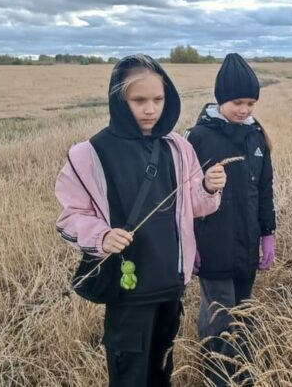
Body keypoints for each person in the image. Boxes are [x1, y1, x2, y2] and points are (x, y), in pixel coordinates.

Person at [55, 54, 226, 386]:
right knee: (129, 377)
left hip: (170, 286)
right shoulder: (89, 154)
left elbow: (194, 204)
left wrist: (206, 187)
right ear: (119, 100)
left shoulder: (177, 147)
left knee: (161, 372)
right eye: (139, 100)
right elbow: (70, 217)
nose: (151, 109)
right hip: (128, 290)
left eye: (158, 99)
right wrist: (101, 236)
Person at [185, 53, 276, 387]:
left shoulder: (256, 138)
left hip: (247, 246)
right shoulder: (198, 138)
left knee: (243, 313)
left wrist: (268, 233)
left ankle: (244, 372)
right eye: (238, 102)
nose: (245, 110)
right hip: (212, 248)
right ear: (221, 99)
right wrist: (190, 242)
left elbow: (264, 188)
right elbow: (184, 196)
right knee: (219, 319)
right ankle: (217, 377)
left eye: (251, 102)